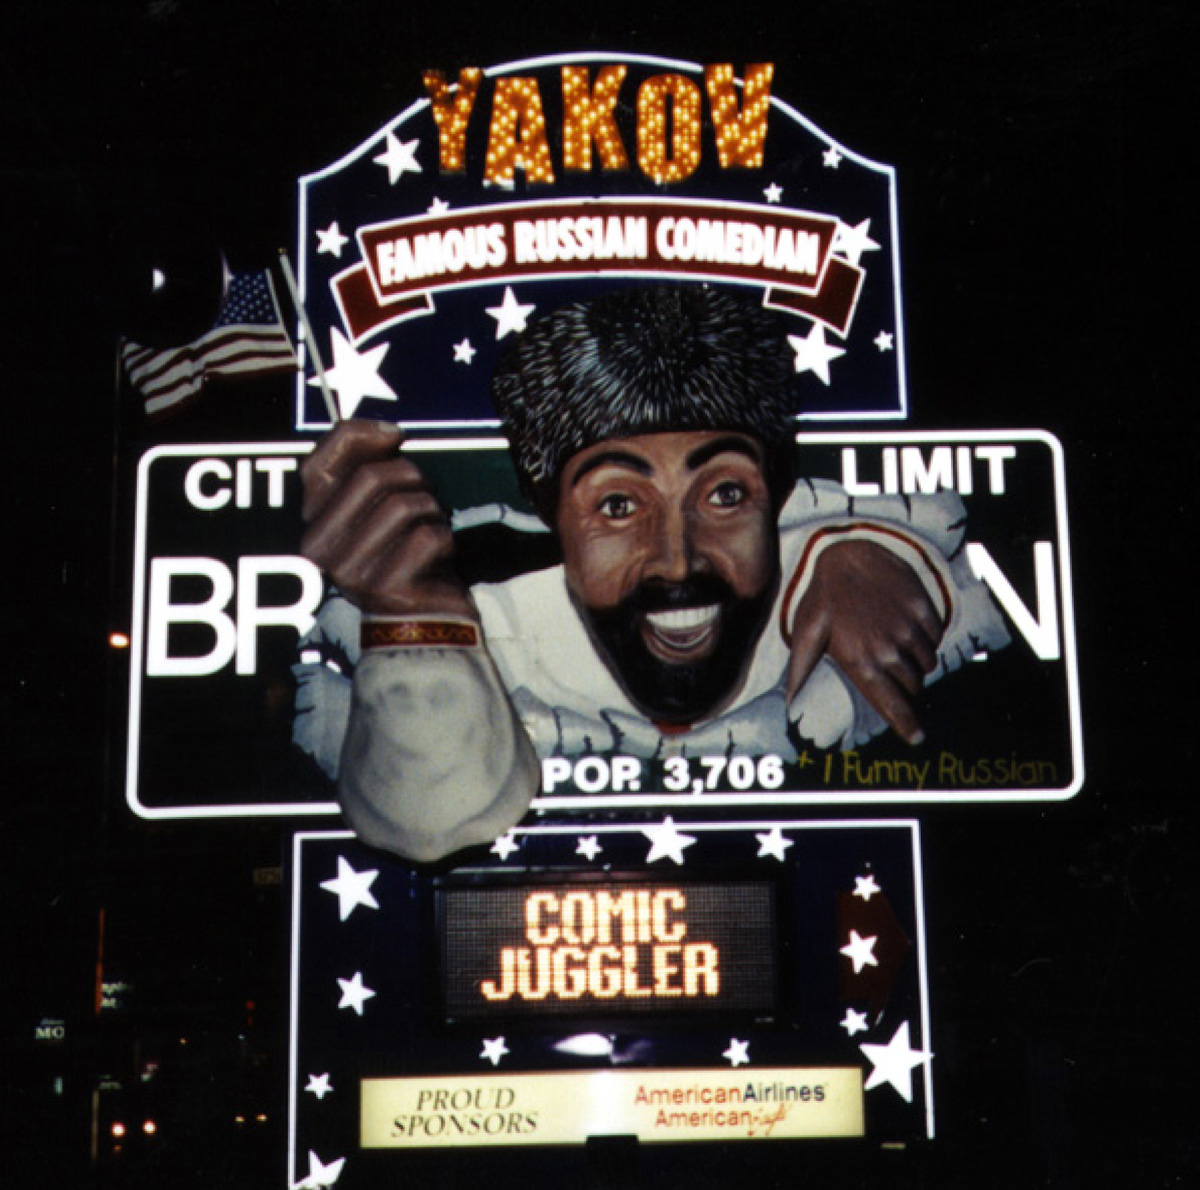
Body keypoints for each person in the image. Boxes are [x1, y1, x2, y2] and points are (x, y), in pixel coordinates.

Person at [295, 287, 1007, 861]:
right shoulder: (483, 618)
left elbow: (956, 534)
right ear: (551, 519)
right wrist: (412, 615)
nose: (676, 557)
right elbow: (427, 816)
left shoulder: (845, 568)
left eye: (724, 494)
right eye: (617, 504)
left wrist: (882, 551)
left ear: (777, 499)